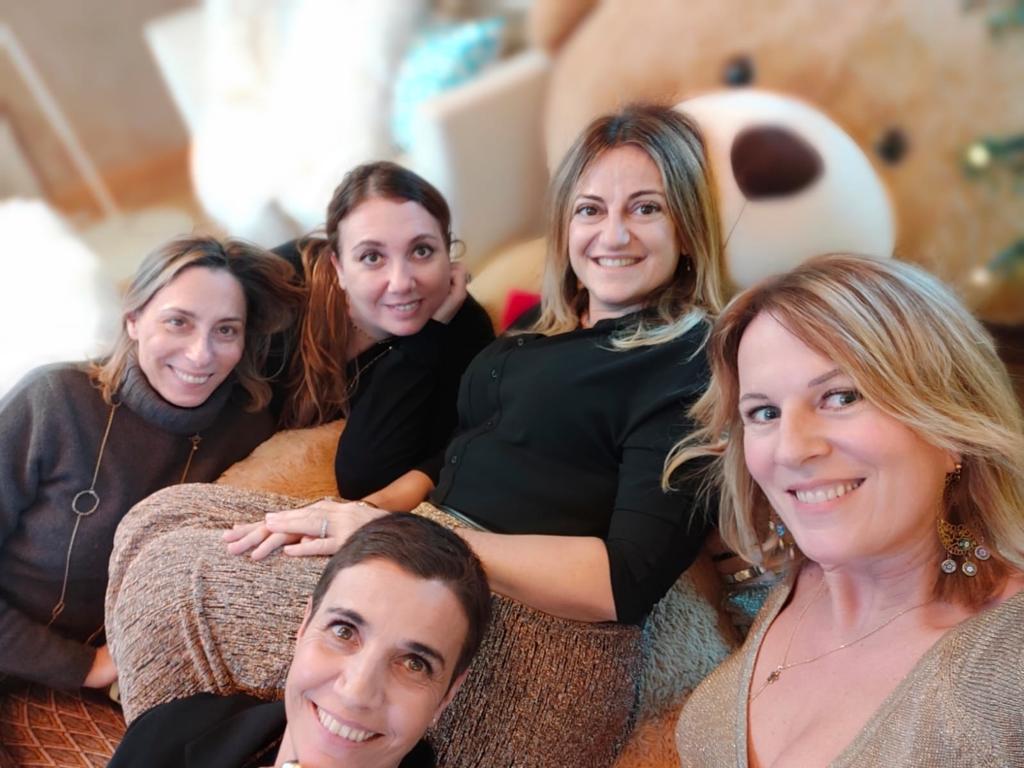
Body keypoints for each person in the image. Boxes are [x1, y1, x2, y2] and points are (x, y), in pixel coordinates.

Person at [108, 104, 731, 765]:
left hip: (528, 628)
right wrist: (370, 514)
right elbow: (464, 449)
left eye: (645, 209)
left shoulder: (691, 365)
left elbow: (624, 581)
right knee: (157, 520)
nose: (613, 234)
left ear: (687, 228)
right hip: (433, 548)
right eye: (590, 210)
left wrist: (405, 534)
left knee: (172, 584)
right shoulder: (545, 329)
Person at [669, 254, 1024, 767]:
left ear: (952, 426)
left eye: (841, 397)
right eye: (764, 412)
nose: (792, 449)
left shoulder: (1009, 664)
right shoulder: (796, 585)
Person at [0, 236, 299, 691]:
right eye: (178, 322)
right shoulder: (53, 401)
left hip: (127, 685)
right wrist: (82, 666)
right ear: (134, 319)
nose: (200, 354)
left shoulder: (247, 428)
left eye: (225, 330)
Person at [108, 513, 491, 768]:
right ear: (305, 626)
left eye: (414, 663)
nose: (356, 693)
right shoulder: (170, 732)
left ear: (447, 695)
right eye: (344, 631)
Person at [259, 161, 494, 509]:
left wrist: (425, 339)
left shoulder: (463, 331)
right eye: (372, 257)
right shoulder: (285, 285)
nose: (401, 283)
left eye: (422, 251)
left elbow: (364, 477)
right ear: (339, 267)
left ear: (449, 254)